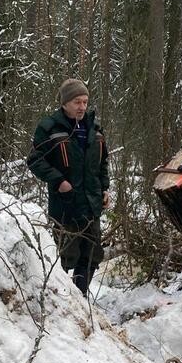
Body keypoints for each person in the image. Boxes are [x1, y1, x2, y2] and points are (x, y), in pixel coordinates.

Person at [27, 79, 110, 297]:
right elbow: (35, 160)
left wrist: (105, 189)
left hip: (92, 204)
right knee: (66, 255)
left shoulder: (95, 130)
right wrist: (59, 181)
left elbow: (103, 164)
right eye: (76, 102)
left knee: (91, 255)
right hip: (65, 204)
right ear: (65, 103)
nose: (82, 107)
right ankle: (61, 299)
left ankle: (80, 299)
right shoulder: (50, 128)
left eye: (85, 102)